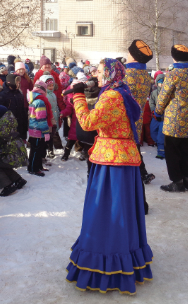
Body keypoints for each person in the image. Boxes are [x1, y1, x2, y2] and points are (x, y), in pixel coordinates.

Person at [66, 58, 153, 294]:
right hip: (124, 157)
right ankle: (126, 254)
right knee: (123, 208)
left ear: (112, 73)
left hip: (111, 161)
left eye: (102, 70)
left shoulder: (112, 96)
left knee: (107, 211)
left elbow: (87, 122)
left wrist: (78, 96)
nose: (98, 74)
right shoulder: (122, 92)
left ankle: (108, 258)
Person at [155, 44, 188, 192]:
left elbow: (163, 96)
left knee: (172, 152)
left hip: (174, 121)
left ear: (174, 57)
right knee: (186, 151)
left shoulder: (173, 74)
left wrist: (157, 112)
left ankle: (177, 182)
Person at [124, 40, 155, 192]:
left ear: (134, 56)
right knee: (134, 147)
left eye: (128, 53)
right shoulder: (145, 75)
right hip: (139, 116)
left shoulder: (127, 75)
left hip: (126, 120)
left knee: (131, 150)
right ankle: (142, 173)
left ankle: (140, 174)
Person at [0, 105, 28, 197]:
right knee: (1, 162)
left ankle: (7, 186)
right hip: (19, 154)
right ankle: (18, 180)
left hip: (14, 156)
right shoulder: (8, 120)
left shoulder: (1, 126)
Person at [27, 80, 51, 177]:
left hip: (34, 129)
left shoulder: (34, 99)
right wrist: (46, 132)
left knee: (39, 150)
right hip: (37, 130)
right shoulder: (40, 102)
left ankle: (38, 166)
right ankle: (33, 168)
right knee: (35, 151)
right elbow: (41, 119)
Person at [0, 74, 28, 141]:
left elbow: (23, 111)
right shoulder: (3, 95)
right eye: (17, 83)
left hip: (19, 125)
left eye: (19, 83)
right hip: (8, 126)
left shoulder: (19, 93)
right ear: (11, 82)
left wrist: (25, 127)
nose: (18, 84)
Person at [42, 74, 60, 159]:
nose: (51, 87)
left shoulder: (53, 94)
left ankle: (50, 149)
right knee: (47, 135)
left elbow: (55, 106)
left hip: (54, 117)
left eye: (52, 85)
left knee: (52, 134)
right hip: (47, 118)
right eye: (49, 85)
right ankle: (47, 150)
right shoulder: (45, 96)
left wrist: (58, 114)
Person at [150, 73, 165, 159]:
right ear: (157, 83)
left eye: (163, 82)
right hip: (155, 116)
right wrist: (153, 111)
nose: (161, 84)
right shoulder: (154, 93)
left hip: (163, 118)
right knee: (153, 132)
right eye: (160, 82)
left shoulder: (168, 92)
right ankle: (159, 143)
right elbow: (151, 102)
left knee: (161, 135)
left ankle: (161, 152)